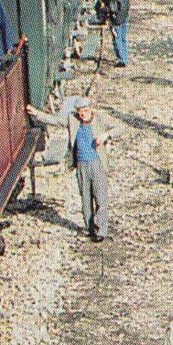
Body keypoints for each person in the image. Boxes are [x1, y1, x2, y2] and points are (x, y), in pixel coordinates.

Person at [71, 102, 112, 241]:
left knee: (100, 197)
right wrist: (36, 113)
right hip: (81, 165)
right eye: (80, 112)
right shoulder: (73, 120)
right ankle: (90, 228)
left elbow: (120, 127)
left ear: (91, 109)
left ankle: (101, 230)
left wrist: (105, 135)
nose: (83, 114)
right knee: (85, 198)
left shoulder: (99, 119)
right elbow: (55, 120)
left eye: (86, 110)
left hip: (97, 163)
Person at [106, 0, 131, 67]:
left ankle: (121, 60)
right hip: (125, 15)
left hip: (117, 19)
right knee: (123, 38)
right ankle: (125, 56)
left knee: (117, 38)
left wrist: (105, 9)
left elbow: (113, 9)